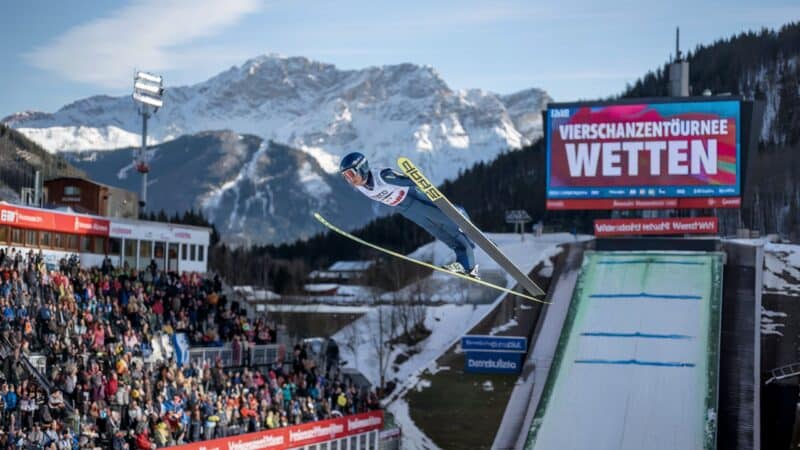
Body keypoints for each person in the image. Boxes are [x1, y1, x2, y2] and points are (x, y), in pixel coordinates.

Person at [339, 152, 479, 278]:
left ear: (362, 167)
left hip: (413, 198)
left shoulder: (383, 176)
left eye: (351, 174)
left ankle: (459, 214)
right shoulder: (361, 187)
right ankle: (465, 263)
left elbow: (413, 181)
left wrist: (419, 183)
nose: (349, 179)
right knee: (437, 231)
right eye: (345, 177)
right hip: (404, 209)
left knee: (446, 222)